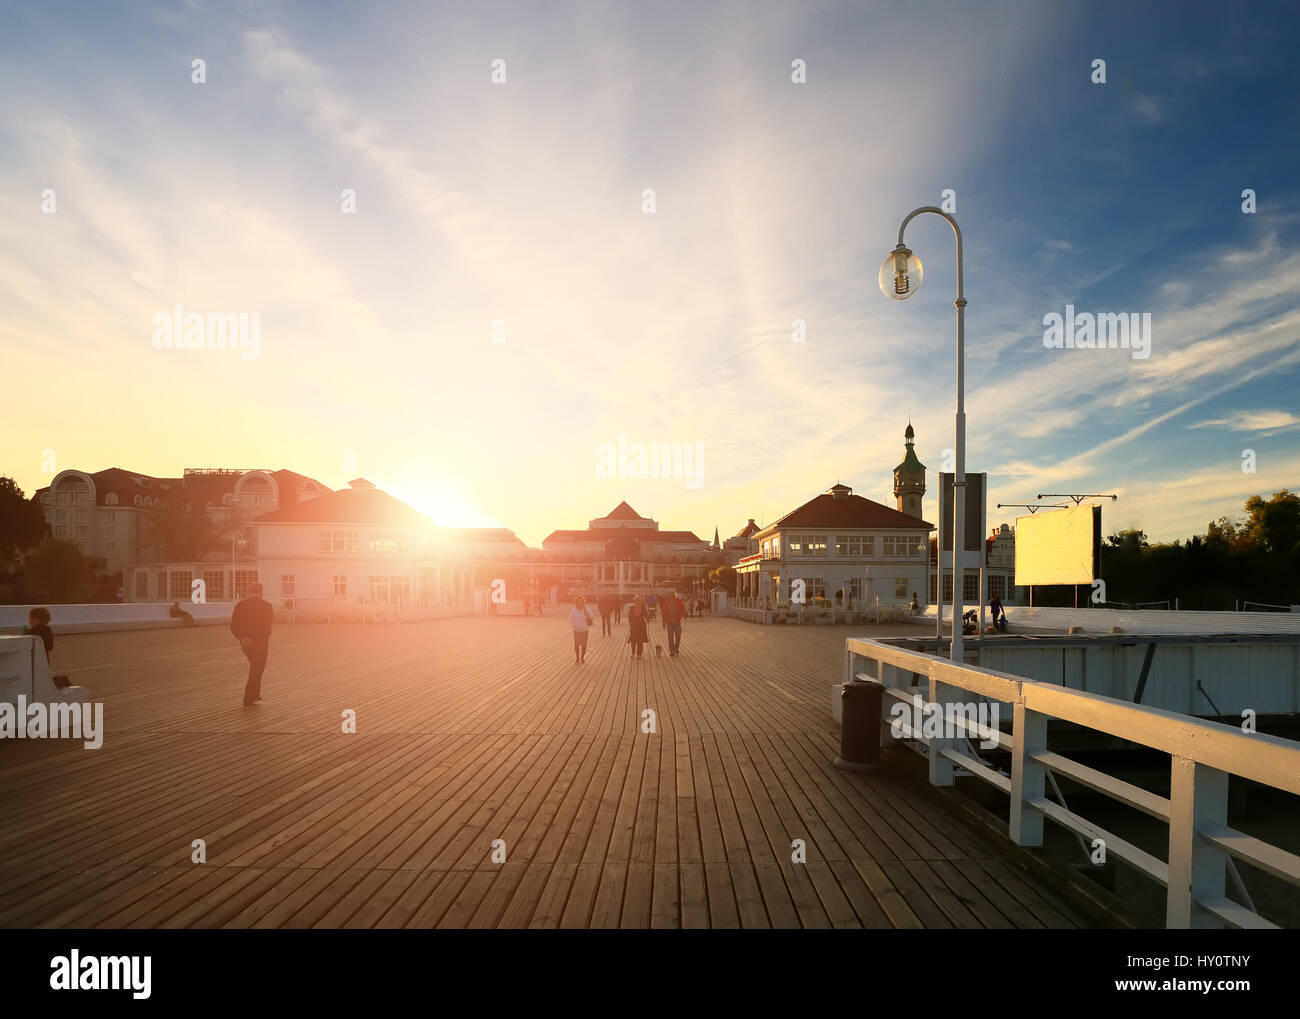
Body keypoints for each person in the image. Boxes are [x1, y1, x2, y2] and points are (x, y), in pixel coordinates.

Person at [230, 582, 274, 707]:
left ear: (250, 591)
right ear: (261, 591)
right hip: (260, 642)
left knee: (255, 667)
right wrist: (258, 638)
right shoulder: (266, 606)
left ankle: (255, 694)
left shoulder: (240, 605)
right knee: (257, 668)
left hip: (245, 642)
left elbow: (234, 624)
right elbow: (267, 627)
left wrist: (242, 638)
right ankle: (249, 698)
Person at [23, 606, 70, 689]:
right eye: (30, 618)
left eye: (34, 618)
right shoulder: (46, 630)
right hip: (42, 660)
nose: (30, 620)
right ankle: (60, 680)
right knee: (40, 680)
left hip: (39, 660)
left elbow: (48, 646)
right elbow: (50, 647)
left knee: (40, 682)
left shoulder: (34, 631)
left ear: (41, 619)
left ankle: (61, 681)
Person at [660, 589, 686, 656]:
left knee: (678, 635)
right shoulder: (666, 603)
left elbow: (683, 610)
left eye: (672, 595)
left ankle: (676, 647)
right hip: (669, 622)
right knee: (670, 636)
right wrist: (665, 619)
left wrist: (679, 614)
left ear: (674, 596)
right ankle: (671, 650)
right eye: (670, 596)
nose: (671, 597)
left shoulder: (679, 602)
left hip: (677, 621)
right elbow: (663, 612)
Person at [569, 595, 593, 663]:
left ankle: (582, 657)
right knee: (576, 644)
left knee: (584, 644)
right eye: (578, 602)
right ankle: (577, 658)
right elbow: (570, 619)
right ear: (576, 603)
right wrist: (574, 625)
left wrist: (587, 615)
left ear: (583, 602)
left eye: (581, 602)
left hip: (585, 629)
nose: (580, 603)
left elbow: (592, 616)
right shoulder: (573, 610)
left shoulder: (587, 609)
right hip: (576, 630)